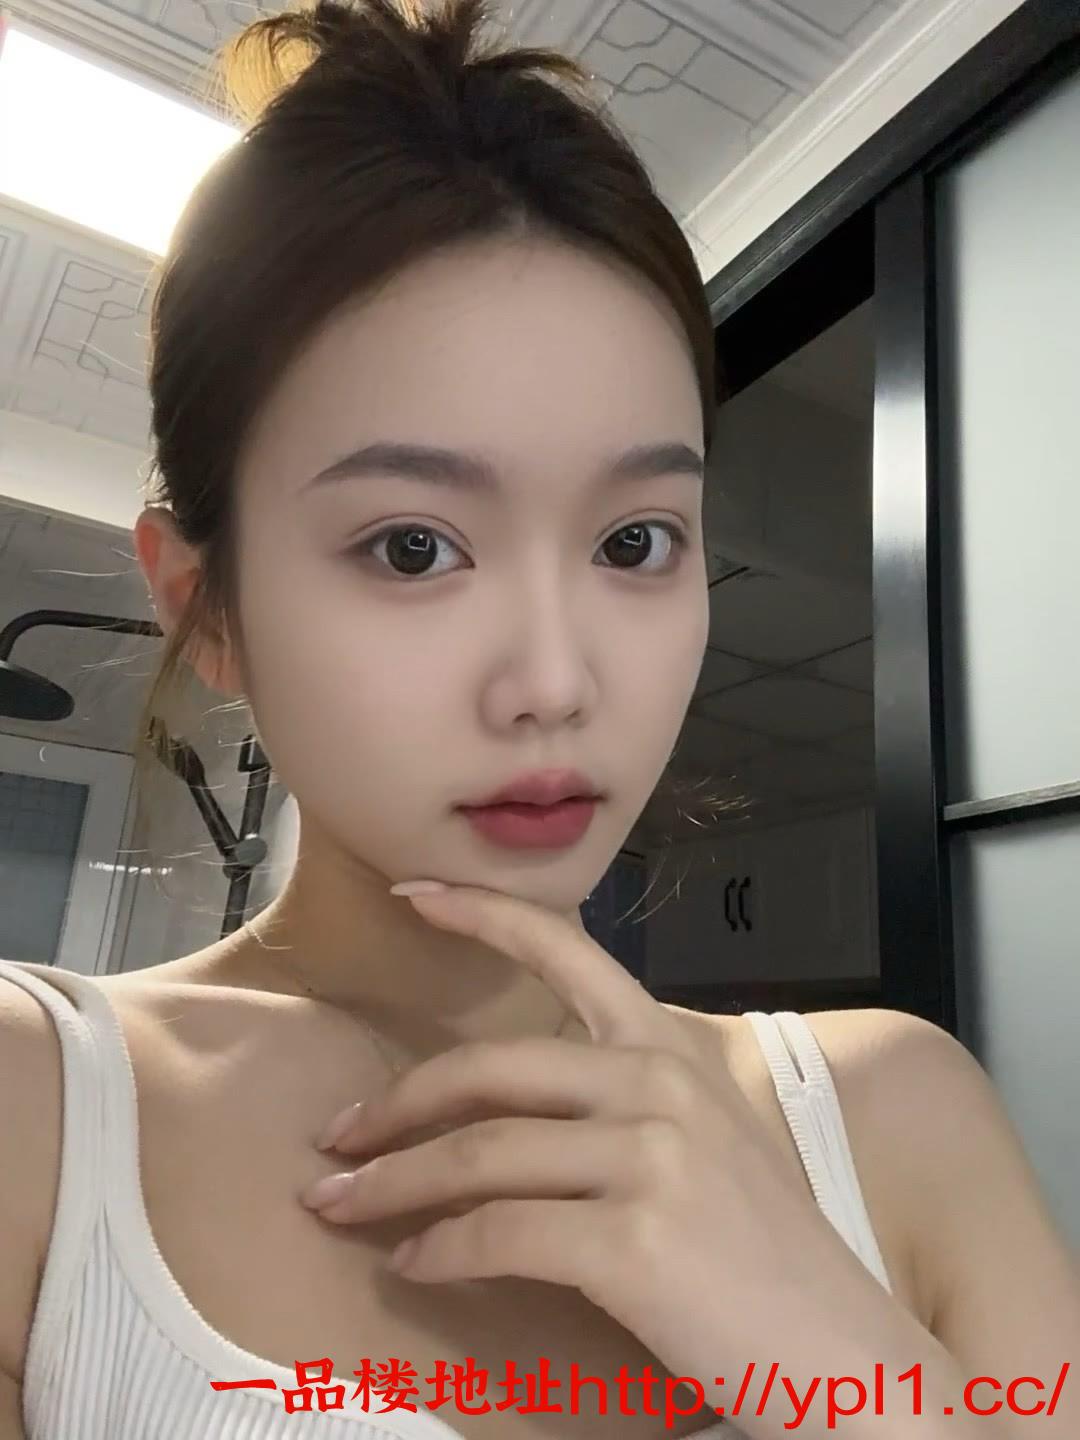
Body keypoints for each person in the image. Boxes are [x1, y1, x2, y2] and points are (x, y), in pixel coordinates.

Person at [1, 0, 1078, 1436]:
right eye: (413, 547)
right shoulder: (39, 1114)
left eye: (636, 541)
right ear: (208, 609)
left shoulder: (904, 1110)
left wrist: (835, 1350)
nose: (557, 681)